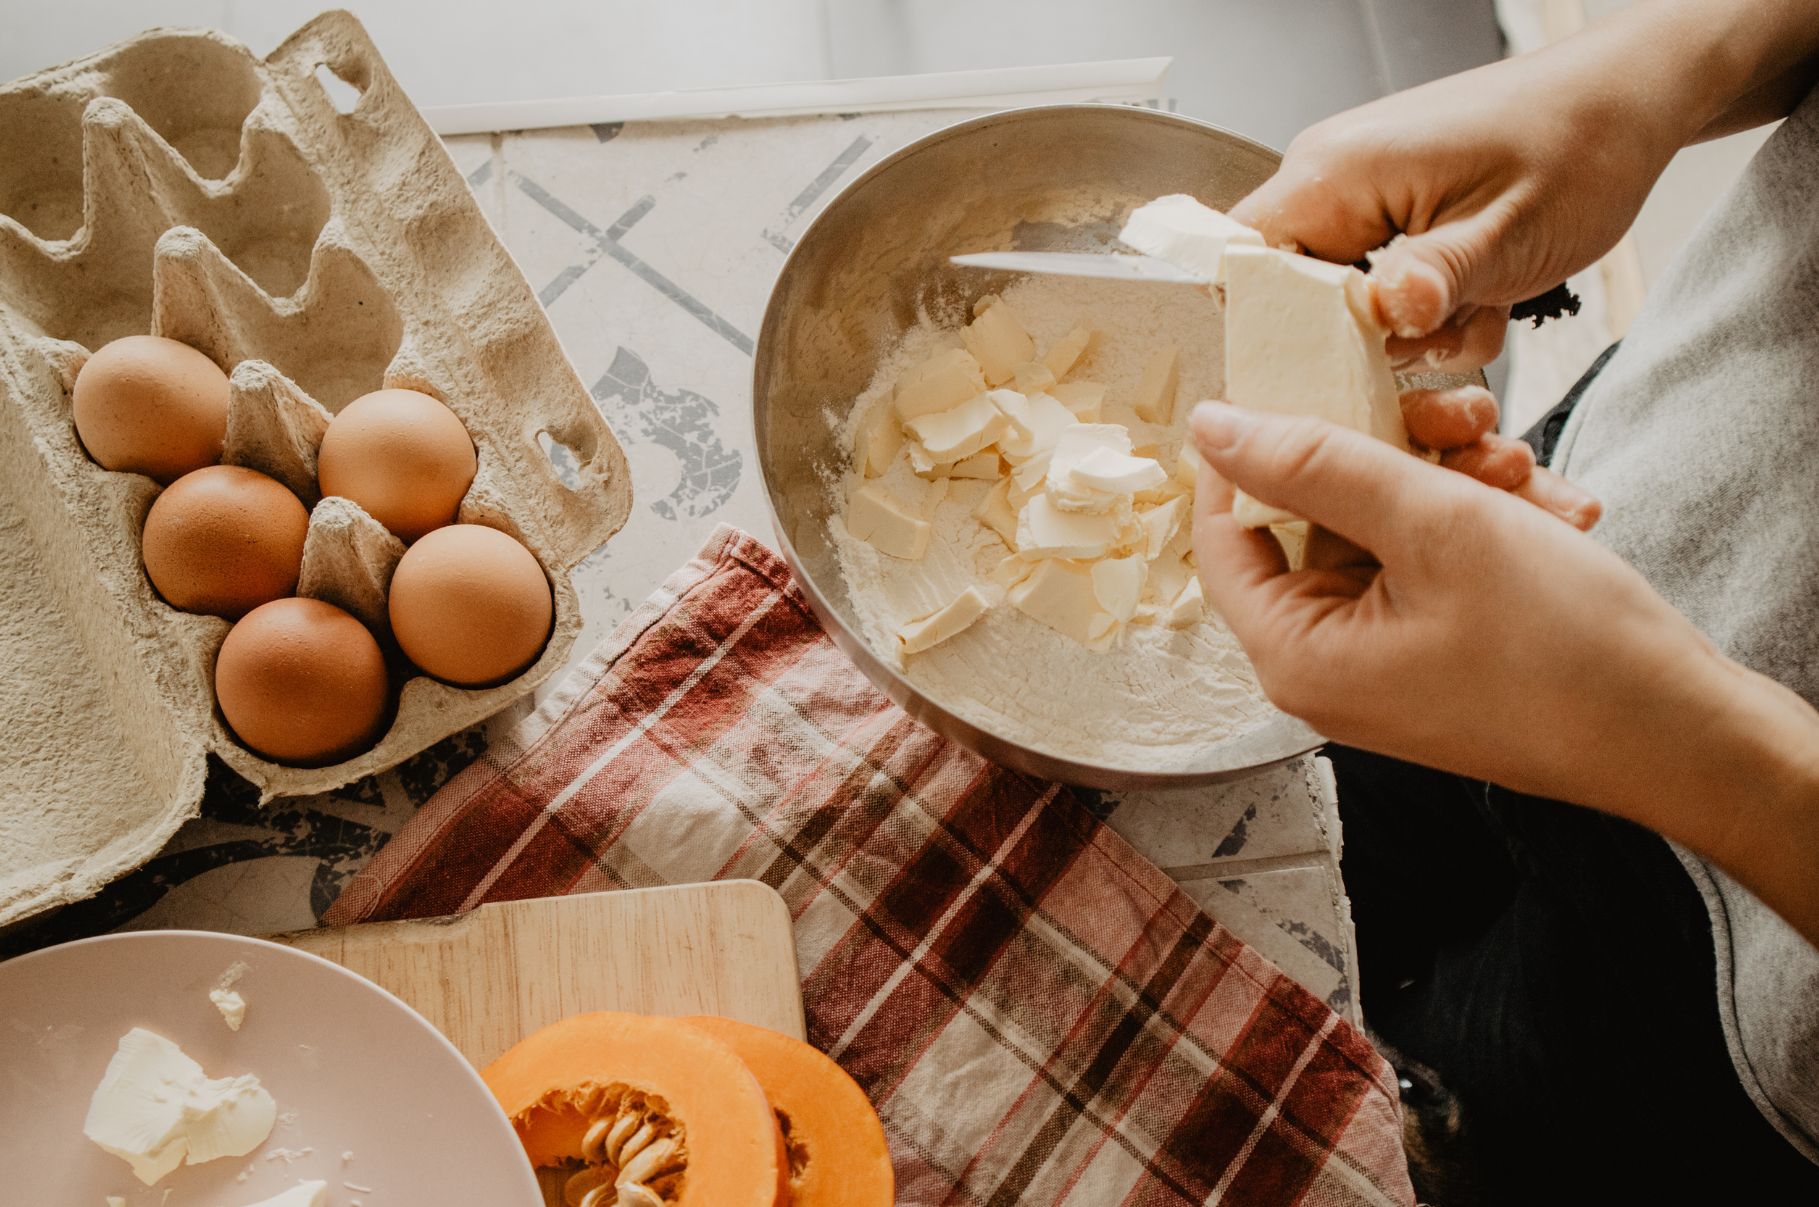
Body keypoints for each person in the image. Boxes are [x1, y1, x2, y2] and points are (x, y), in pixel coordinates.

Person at [1187, 0, 1819, 1201]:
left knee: (1470, 1138)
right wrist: (1663, 72)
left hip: (1736, 1032)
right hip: (1596, 526)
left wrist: (1714, 755)